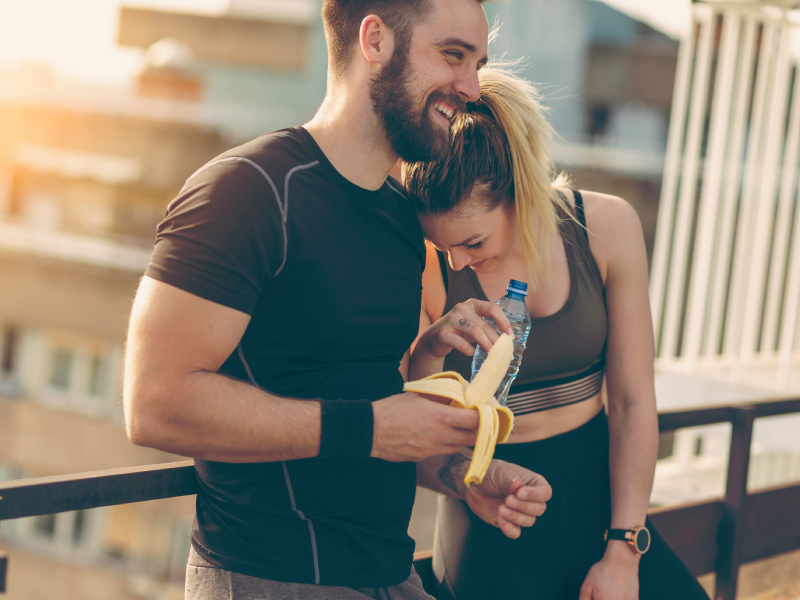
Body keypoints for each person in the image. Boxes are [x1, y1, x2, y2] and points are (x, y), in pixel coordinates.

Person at [122, 2, 553, 599]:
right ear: (374, 39)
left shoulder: (404, 223)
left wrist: (461, 476)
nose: (472, 88)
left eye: (478, 63)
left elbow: (372, 427)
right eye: (453, 56)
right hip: (268, 580)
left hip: (390, 578)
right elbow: (154, 403)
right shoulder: (247, 190)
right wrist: (372, 427)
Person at [403, 66, 710, 600]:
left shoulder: (606, 227)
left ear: (519, 192)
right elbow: (407, 433)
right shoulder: (427, 265)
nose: (457, 260)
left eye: (472, 242)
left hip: (603, 496)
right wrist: (427, 350)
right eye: (444, 246)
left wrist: (623, 548)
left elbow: (634, 403)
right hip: (491, 509)